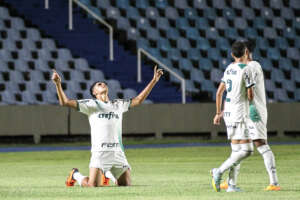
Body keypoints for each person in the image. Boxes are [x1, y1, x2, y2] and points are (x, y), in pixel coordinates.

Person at [51, 66, 163, 187]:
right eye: (99, 84)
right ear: (94, 92)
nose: (102, 84)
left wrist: (154, 81)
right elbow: (65, 102)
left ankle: (108, 174)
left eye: (104, 83)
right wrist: (58, 84)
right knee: (92, 185)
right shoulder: (91, 104)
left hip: (117, 152)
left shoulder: (118, 104)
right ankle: (75, 175)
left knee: (125, 185)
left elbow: (139, 100)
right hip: (100, 153)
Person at [220, 39, 281, 191]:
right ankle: (230, 182)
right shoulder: (244, 67)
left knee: (261, 144)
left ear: (246, 51)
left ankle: (274, 183)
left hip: (254, 111)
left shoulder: (253, 66)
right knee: (238, 148)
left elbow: (249, 93)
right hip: (246, 110)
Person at [211, 40, 255, 192]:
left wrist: (218, 113)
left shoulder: (229, 68)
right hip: (239, 112)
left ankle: (232, 185)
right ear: (246, 53)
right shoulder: (247, 69)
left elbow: (219, 93)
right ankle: (219, 171)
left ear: (232, 54)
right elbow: (250, 95)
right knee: (248, 150)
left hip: (228, 112)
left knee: (236, 151)